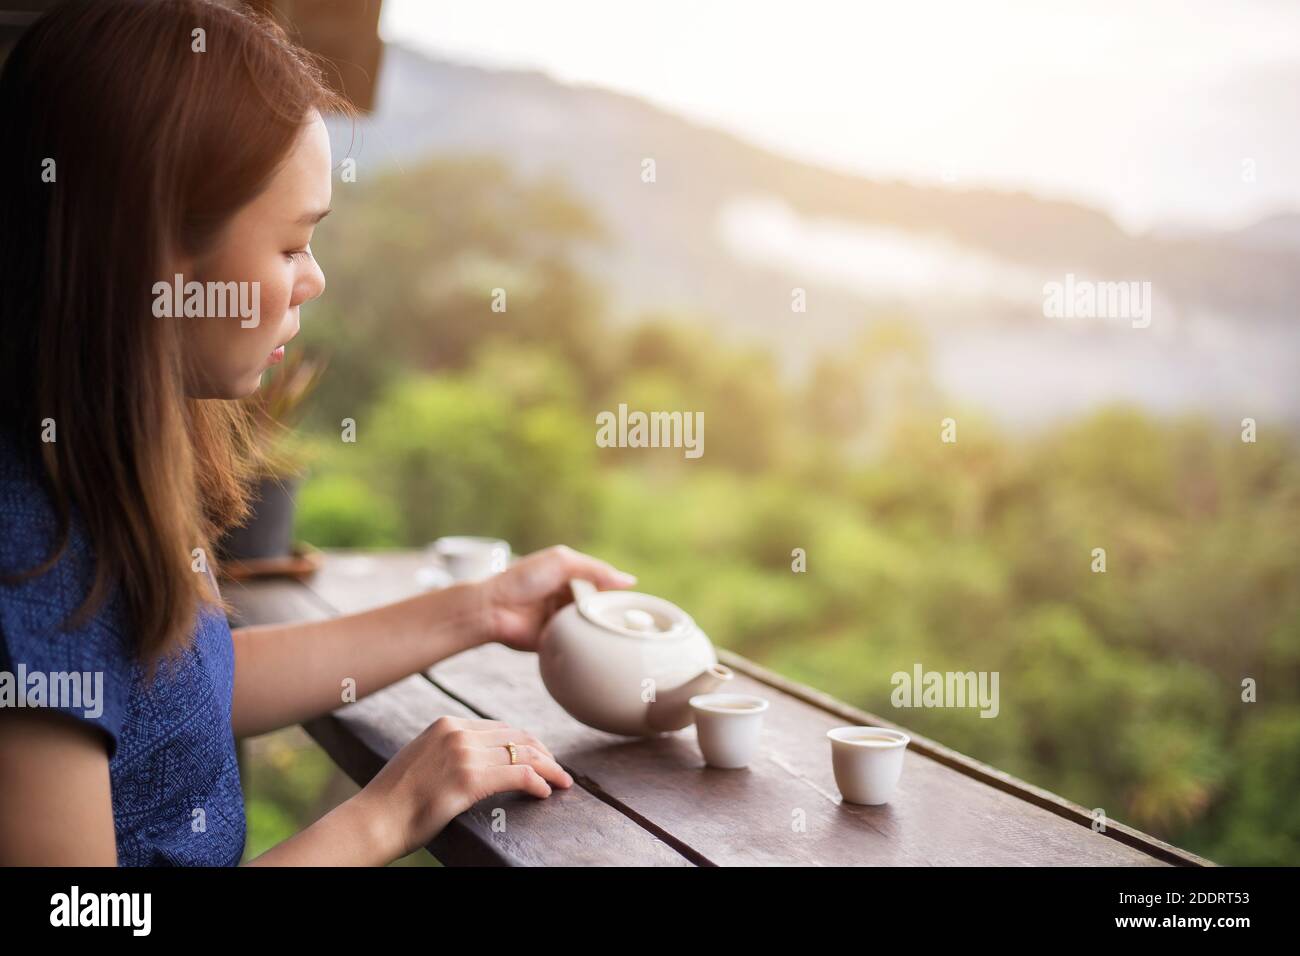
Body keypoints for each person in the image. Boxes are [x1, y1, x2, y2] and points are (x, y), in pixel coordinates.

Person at [0, 0, 636, 866]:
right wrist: (388, 815)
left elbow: (190, 691)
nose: (316, 280)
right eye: (293, 245)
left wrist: (483, 606)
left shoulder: (84, 471)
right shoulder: (26, 563)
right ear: (160, 259)